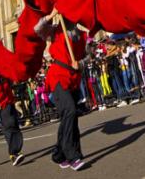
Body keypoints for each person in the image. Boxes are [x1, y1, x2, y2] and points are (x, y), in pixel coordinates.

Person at [37, 12, 88, 171]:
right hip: (58, 77)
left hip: (73, 79)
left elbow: (88, 57)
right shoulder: (54, 30)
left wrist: (79, 64)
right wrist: (51, 14)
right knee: (70, 111)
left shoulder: (82, 35)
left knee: (71, 118)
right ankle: (73, 156)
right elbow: (38, 29)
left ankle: (59, 154)